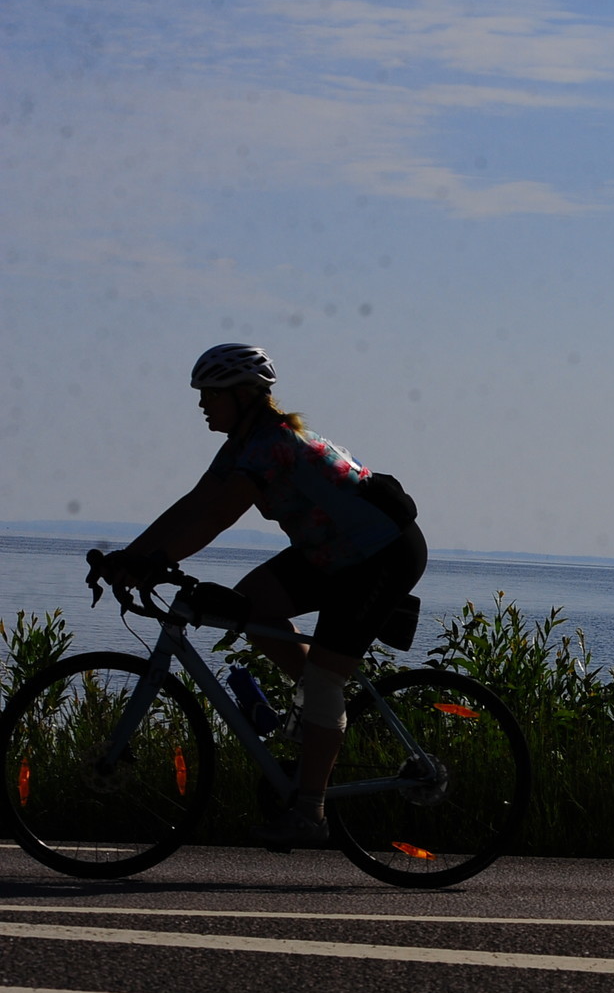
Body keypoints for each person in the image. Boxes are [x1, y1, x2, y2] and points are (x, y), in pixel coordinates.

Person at [98, 343, 425, 849]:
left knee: (325, 680)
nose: (202, 404)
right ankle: (320, 713)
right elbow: (194, 504)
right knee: (250, 607)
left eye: (211, 395)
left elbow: (216, 517)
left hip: (380, 554)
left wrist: (154, 562)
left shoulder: (273, 443)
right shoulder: (243, 444)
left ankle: (310, 813)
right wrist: (130, 556)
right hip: (332, 552)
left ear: (245, 395)